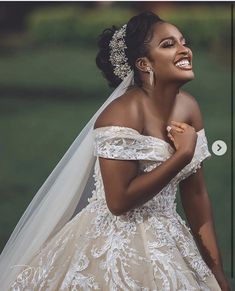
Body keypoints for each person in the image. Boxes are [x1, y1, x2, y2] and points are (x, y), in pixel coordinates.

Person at [0, 11, 230, 291]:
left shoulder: (189, 107)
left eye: (183, 41)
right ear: (144, 64)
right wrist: (181, 156)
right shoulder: (122, 113)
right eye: (168, 45)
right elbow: (119, 202)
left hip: (169, 237)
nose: (185, 50)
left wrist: (215, 267)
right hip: (116, 241)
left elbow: (196, 195)